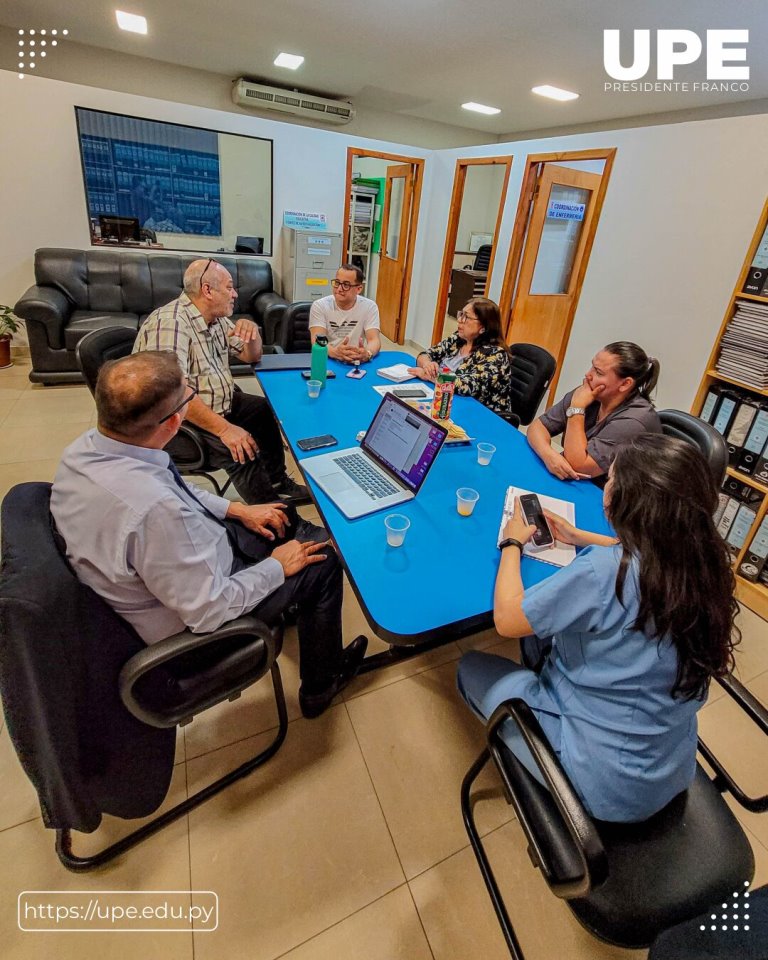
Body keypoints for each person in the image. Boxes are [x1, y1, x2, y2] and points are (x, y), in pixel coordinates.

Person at [50, 351, 368, 719]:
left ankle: (297, 601)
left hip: (187, 568)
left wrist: (237, 509)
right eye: (189, 397)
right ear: (172, 423)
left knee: (280, 516)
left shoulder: (88, 449)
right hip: (198, 631)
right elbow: (209, 611)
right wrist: (277, 567)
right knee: (323, 562)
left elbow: (172, 486)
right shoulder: (153, 512)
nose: (194, 401)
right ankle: (320, 686)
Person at [457, 433, 739, 823]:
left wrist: (512, 543)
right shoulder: (705, 564)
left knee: (470, 667)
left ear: (626, 503)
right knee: (544, 641)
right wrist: (580, 537)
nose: (606, 487)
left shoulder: (605, 573)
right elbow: (649, 554)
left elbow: (507, 620)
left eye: (611, 482)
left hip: (604, 785)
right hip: (668, 769)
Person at [134, 258, 309, 505]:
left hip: (218, 402)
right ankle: (275, 518)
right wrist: (226, 429)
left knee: (262, 410)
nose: (235, 294)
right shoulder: (171, 324)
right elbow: (173, 393)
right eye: (229, 287)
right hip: (176, 422)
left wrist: (252, 334)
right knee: (241, 449)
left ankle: (278, 482)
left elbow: (252, 355)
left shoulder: (214, 318)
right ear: (207, 290)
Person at [527, 341, 661, 484]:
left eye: (598, 372)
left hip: (612, 496)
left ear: (625, 384)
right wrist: (548, 455)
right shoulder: (591, 392)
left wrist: (577, 409)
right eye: (592, 366)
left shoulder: (634, 422)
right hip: (581, 484)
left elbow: (578, 465)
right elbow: (538, 427)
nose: (588, 374)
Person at [408, 298, 512, 416]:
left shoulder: (496, 355)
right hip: (447, 401)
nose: (459, 320)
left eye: (466, 317)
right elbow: (426, 354)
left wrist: (429, 375)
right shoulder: (459, 338)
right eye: (461, 314)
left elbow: (465, 386)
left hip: (479, 414)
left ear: (483, 326)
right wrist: (427, 365)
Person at [309, 264, 382, 364]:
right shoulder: (320, 305)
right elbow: (317, 342)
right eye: (337, 283)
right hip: (328, 360)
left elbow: (374, 340)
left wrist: (367, 353)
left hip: (356, 361)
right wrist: (335, 353)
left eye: (346, 285)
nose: (339, 289)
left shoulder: (369, 307)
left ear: (359, 289)